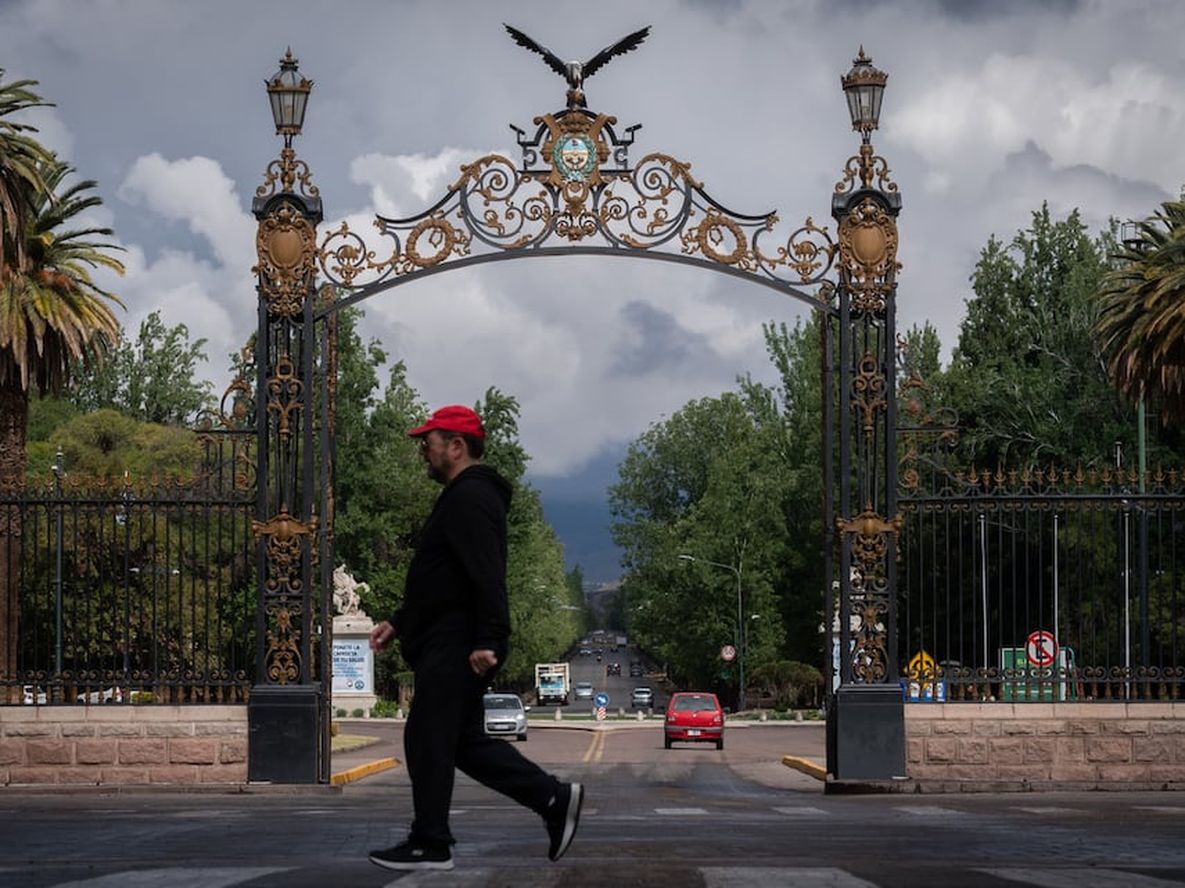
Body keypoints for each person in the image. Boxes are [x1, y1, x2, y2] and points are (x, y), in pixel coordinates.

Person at [367, 404, 583, 872]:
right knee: (459, 741)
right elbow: (443, 579)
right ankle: (552, 798)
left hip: (459, 641)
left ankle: (431, 841)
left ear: (457, 446)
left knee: (427, 735)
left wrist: (489, 637)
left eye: (428, 442)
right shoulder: (463, 496)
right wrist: (400, 621)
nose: (423, 451)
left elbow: (486, 573)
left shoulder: (471, 497)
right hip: (451, 636)